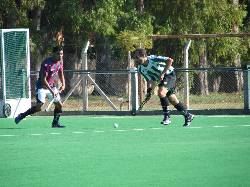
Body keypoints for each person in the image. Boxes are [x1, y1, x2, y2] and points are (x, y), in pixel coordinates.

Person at [134, 48, 194, 127]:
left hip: (169, 74)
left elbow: (170, 60)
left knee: (161, 92)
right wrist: (149, 91)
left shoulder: (153, 59)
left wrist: (163, 73)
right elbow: (150, 81)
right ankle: (187, 115)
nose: (136, 59)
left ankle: (167, 117)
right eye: (135, 57)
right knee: (173, 100)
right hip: (160, 80)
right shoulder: (140, 69)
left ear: (144, 56)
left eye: (137, 57)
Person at [15, 46, 66, 128]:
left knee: (59, 105)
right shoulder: (46, 63)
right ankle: (22, 115)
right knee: (39, 107)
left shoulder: (59, 63)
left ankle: (55, 123)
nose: (60, 56)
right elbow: (43, 79)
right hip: (41, 87)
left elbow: (61, 73)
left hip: (52, 87)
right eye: (58, 54)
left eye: (61, 54)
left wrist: (63, 84)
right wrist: (52, 92)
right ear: (53, 54)